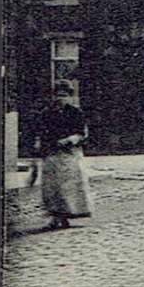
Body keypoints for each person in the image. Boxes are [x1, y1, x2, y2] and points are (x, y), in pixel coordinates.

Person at [36, 83, 91, 230]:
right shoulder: (46, 113)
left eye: (64, 96)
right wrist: (41, 147)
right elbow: (41, 132)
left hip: (69, 154)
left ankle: (66, 214)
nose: (60, 99)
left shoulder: (75, 112)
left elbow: (82, 133)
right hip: (52, 153)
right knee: (52, 187)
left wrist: (70, 140)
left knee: (68, 186)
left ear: (70, 97)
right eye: (58, 95)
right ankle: (54, 216)